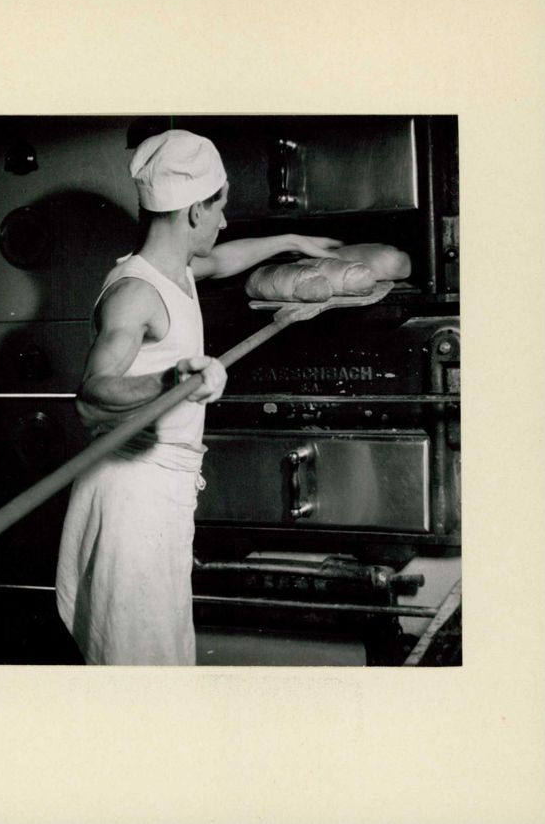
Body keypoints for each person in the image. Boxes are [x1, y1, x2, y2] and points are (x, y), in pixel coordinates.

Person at [55, 129, 342, 665]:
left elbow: (223, 260)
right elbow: (92, 396)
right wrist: (171, 382)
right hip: (132, 498)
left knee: (163, 656)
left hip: (160, 492)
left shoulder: (177, 272)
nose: (223, 222)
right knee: (140, 667)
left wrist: (292, 241)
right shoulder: (135, 293)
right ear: (193, 211)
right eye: (220, 208)